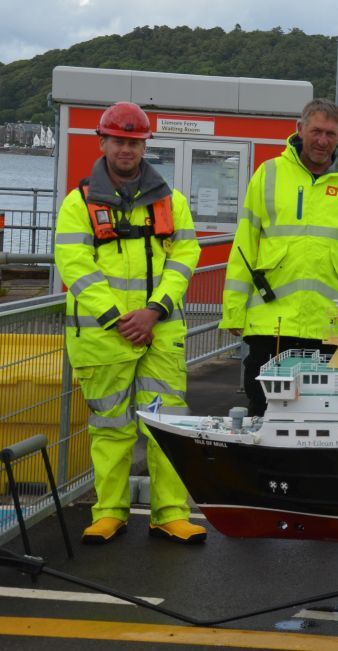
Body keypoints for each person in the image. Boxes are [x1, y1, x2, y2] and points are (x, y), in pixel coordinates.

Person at [54, 101, 206, 544]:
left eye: (134, 142)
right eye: (118, 140)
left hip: (157, 330)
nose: (126, 149)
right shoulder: (77, 204)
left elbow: (185, 256)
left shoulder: (172, 202)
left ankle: (171, 513)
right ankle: (110, 512)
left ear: (144, 146)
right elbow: (74, 263)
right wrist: (120, 319)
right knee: (110, 428)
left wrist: (154, 311)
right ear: (102, 142)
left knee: (167, 426)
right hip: (105, 336)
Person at [220, 98, 338, 416]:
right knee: (262, 404)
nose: (322, 141)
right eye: (316, 131)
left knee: (324, 411)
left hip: (331, 323)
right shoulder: (268, 174)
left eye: (331, 134)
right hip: (272, 321)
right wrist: (234, 312)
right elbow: (245, 246)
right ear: (299, 130)